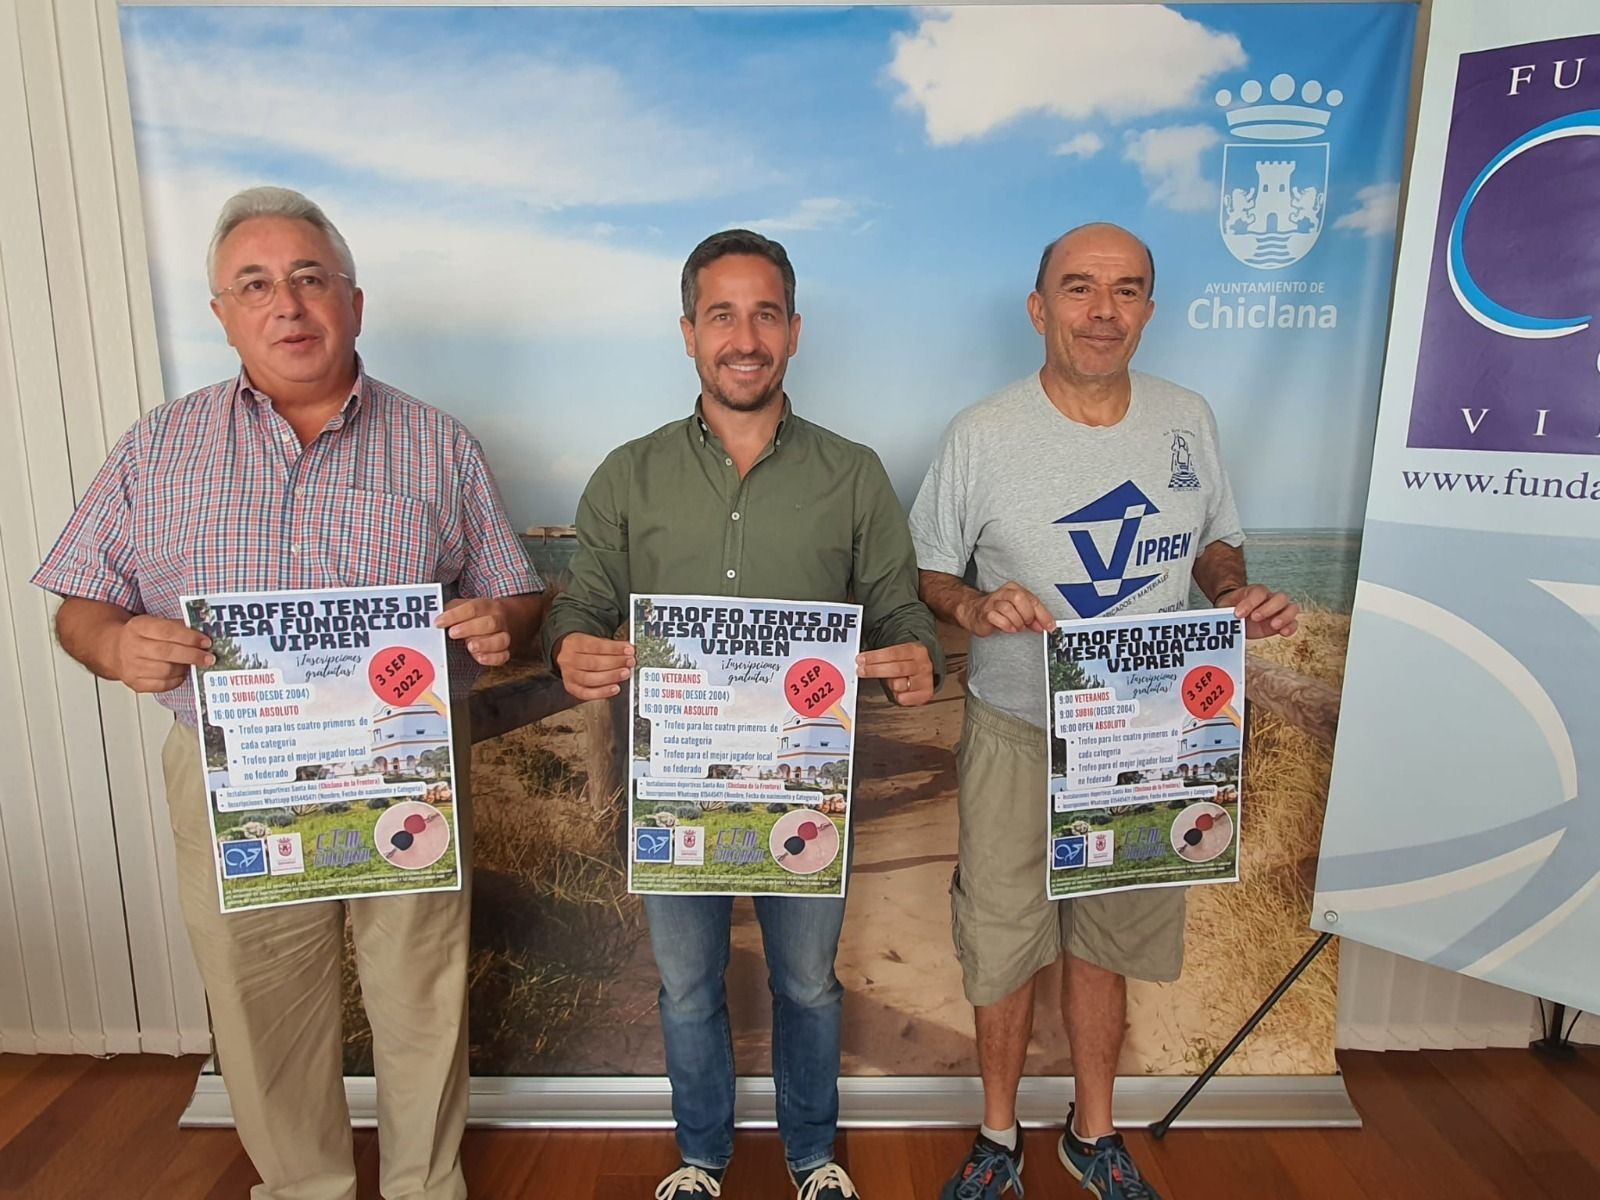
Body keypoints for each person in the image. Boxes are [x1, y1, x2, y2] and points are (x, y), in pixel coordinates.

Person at [33, 186, 545, 1200]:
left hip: (404, 769)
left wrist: (504, 622)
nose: (288, 304)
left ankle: (421, 1185)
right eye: (255, 284)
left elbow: (514, 591)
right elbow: (78, 606)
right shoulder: (155, 448)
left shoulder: (439, 445)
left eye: (310, 279)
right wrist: (113, 643)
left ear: (353, 302)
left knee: (418, 995)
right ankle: (305, 1186)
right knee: (262, 1000)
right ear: (221, 313)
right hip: (232, 778)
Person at [544, 229, 942, 1200]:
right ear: (688, 333)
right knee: (687, 985)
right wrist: (570, 643)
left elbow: (898, 608)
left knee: (807, 982)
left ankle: (813, 1156)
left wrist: (914, 654)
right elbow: (581, 602)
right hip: (672, 785)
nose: (744, 335)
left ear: (795, 331)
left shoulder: (851, 473)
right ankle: (701, 1159)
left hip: (804, 784)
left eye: (765, 312)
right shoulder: (625, 475)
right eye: (721, 313)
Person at [910, 223, 1299, 1200]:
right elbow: (929, 573)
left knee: (1105, 940)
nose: (1101, 311)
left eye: (1126, 292)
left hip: (1144, 734)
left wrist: (1229, 592)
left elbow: (1216, 544)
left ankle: (1094, 1131)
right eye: (1078, 289)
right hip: (1012, 730)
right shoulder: (980, 432)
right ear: (1038, 309)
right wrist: (971, 605)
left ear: (1149, 311)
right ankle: (996, 1139)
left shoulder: (1186, 418)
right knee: (1002, 940)